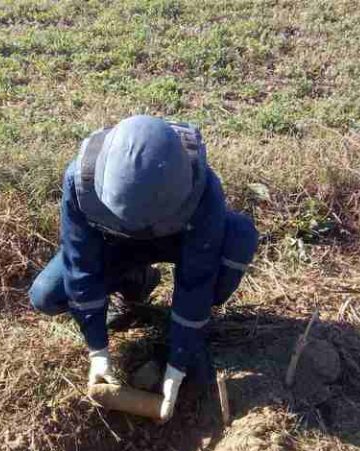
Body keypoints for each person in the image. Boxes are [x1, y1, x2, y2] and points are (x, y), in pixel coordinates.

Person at [29, 115, 258, 421]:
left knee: (238, 237)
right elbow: (80, 265)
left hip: (176, 241)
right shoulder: (80, 182)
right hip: (115, 244)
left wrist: (178, 363)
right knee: (46, 294)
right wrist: (97, 350)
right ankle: (135, 281)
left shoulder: (202, 189)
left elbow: (197, 277)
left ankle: (190, 329)